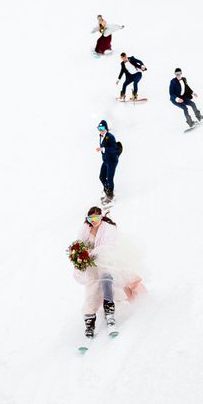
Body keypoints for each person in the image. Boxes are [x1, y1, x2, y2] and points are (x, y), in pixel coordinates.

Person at [74, 207, 146, 340]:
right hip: (90, 264)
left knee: (106, 281)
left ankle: (109, 314)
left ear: (101, 217)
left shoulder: (108, 228)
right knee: (92, 290)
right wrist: (79, 255)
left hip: (105, 260)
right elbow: (79, 244)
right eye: (90, 218)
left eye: (96, 218)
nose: (93, 221)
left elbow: (109, 245)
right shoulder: (85, 228)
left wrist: (93, 252)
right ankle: (89, 323)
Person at [96, 119, 119, 205]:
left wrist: (103, 149)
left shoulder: (110, 136)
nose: (100, 130)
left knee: (109, 178)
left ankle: (110, 195)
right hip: (106, 160)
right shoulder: (101, 136)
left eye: (102, 128)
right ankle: (107, 191)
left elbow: (114, 149)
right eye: (99, 128)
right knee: (101, 177)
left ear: (106, 128)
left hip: (112, 161)